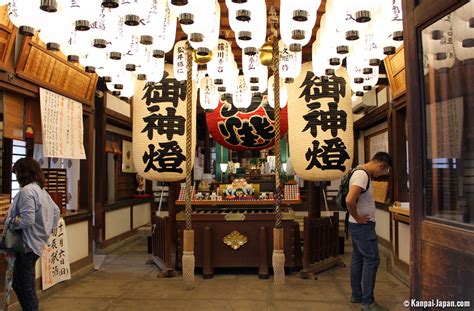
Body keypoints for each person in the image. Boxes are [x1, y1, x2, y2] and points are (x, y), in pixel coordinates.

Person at [2, 157, 60, 311]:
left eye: (16, 173)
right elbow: (56, 211)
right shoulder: (41, 190)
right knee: (21, 284)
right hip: (35, 244)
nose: (16, 177)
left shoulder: (27, 191)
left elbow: (27, 220)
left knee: (25, 287)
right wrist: (47, 231)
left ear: (23, 173)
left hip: (26, 245)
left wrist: (9, 221)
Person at [346, 152, 392, 311]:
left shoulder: (358, 171)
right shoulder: (362, 175)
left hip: (358, 225)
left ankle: (357, 295)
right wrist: (357, 217)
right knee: (372, 260)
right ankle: (368, 303)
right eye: (384, 172)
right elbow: (349, 200)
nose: (381, 175)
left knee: (358, 259)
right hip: (362, 226)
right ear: (381, 165)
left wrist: (356, 218)